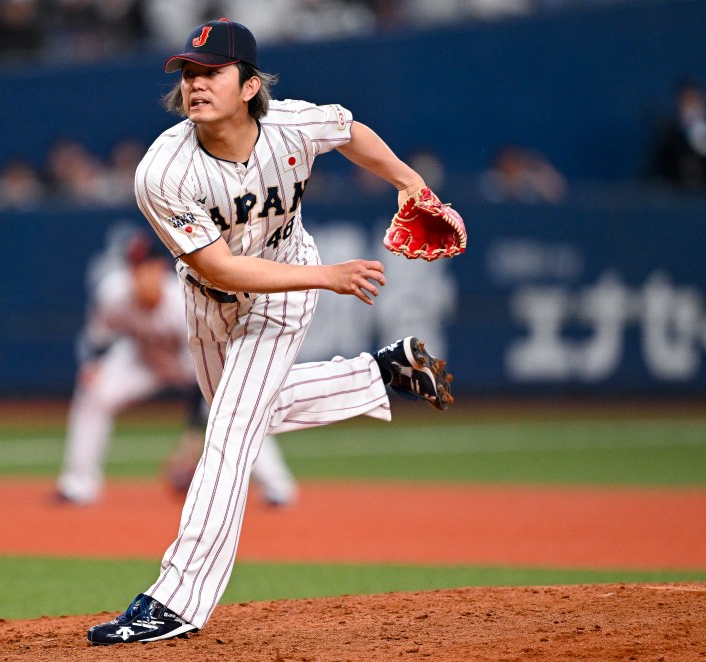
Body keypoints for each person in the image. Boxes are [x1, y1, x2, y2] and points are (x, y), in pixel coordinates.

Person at [85, 18, 455, 645]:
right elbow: (218, 266)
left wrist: (410, 184)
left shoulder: (291, 124)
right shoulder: (163, 171)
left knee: (228, 432)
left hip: (278, 299)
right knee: (248, 413)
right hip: (209, 303)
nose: (196, 85)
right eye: (189, 74)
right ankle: (383, 372)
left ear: (251, 84)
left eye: (212, 72)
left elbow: (349, 130)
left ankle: (176, 600)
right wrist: (326, 276)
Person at [56, 229, 297, 507]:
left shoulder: (182, 301)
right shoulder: (114, 292)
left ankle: (277, 484)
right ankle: (79, 484)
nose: (139, 276)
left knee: (230, 406)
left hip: (194, 363)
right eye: (134, 268)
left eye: (145, 268)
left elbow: (201, 376)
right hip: (142, 360)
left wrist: (191, 439)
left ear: (159, 270)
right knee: (94, 392)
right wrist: (94, 365)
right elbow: (99, 336)